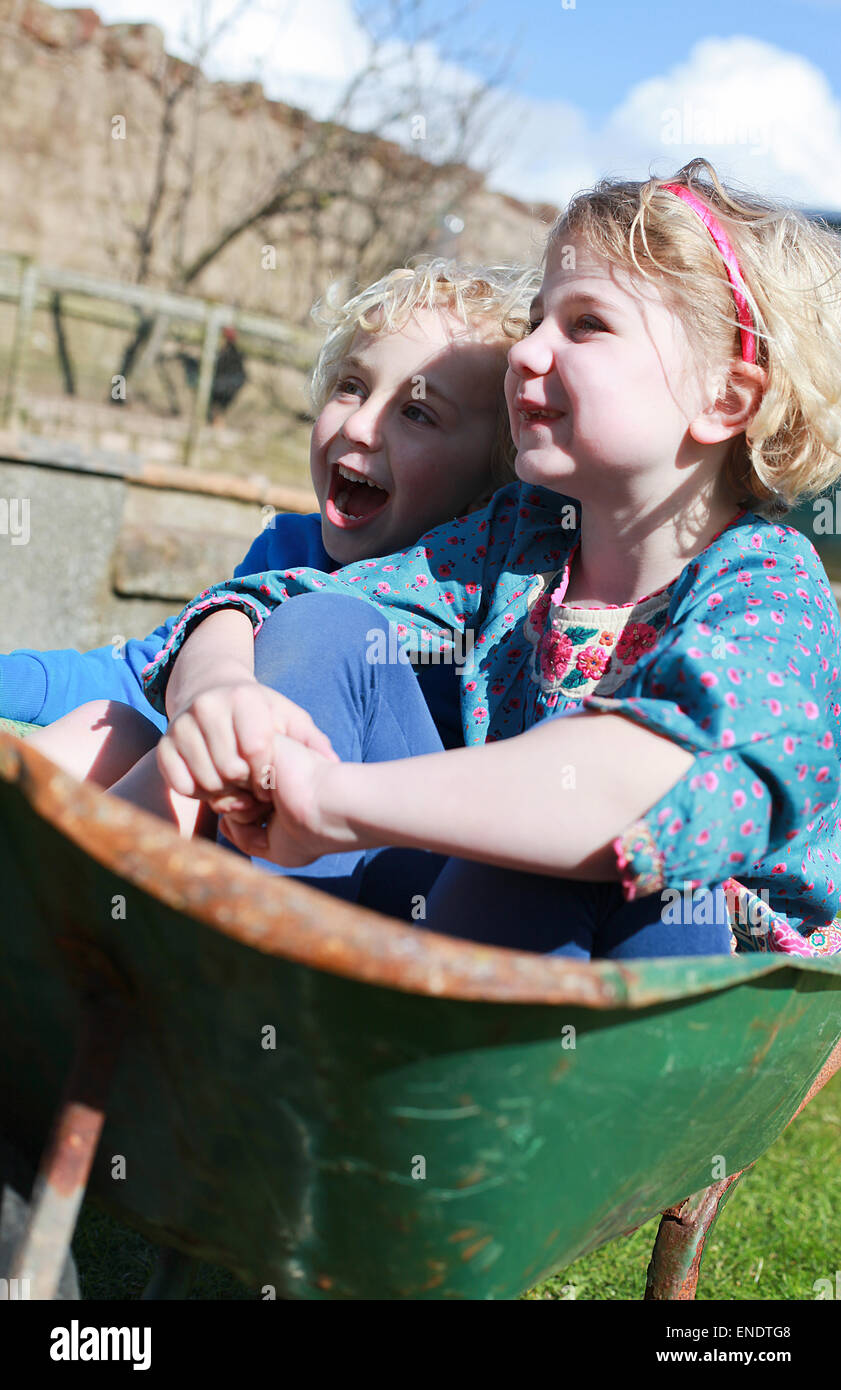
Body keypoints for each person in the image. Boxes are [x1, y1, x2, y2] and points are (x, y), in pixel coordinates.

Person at [52, 162, 841, 958]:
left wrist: (334, 799)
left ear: (723, 400)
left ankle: (399, 1059)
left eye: (585, 324)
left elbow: (660, 787)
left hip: (676, 978)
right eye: (536, 319)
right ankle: (237, 982)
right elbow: (279, 598)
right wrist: (219, 690)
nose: (527, 351)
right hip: (473, 919)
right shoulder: (522, 541)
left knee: (551, 832)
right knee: (327, 626)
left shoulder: (768, 590)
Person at [14, 258, 537, 795]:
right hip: (234, 785)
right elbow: (145, 670)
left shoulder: (480, 608)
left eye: (418, 414)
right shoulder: (290, 549)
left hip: (354, 841)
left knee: (192, 773)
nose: (358, 425)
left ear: (492, 486)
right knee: (113, 726)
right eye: (353, 386)